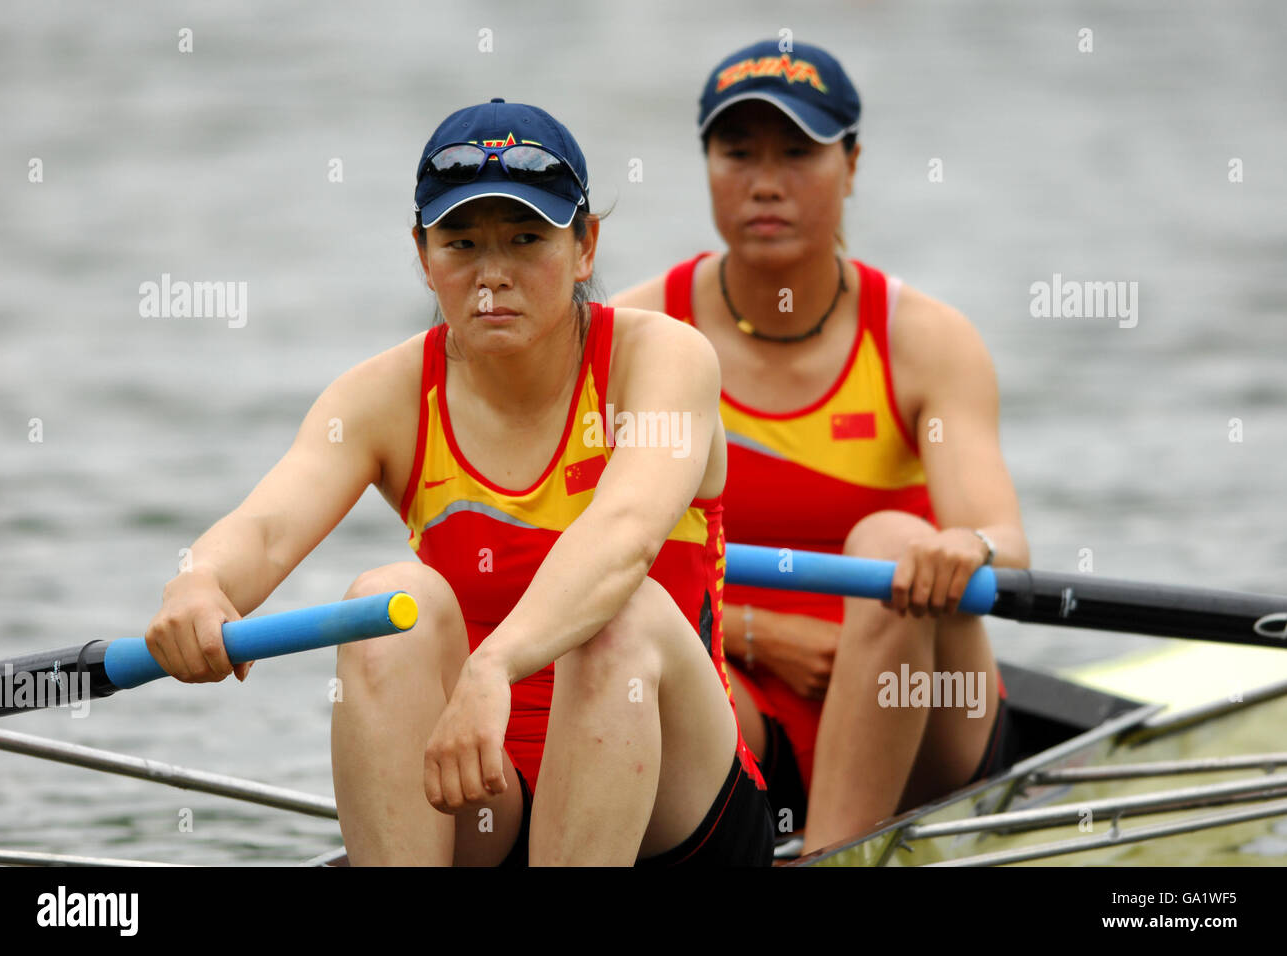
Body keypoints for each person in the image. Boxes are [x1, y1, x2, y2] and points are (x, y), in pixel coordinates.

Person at [145, 98, 773, 866]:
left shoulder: (663, 359)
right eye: (462, 243)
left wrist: (493, 665)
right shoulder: (383, 395)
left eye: (526, 239)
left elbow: (623, 539)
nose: (493, 274)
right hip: (485, 791)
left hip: (678, 807)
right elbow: (266, 528)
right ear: (422, 252)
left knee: (622, 614)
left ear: (585, 247)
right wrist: (200, 584)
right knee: (382, 607)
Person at [612, 41, 1030, 855]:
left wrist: (962, 547)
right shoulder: (637, 338)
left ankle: (835, 849)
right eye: (738, 153)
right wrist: (750, 631)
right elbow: (570, 552)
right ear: (706, 163)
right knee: (624, 651)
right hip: (737, 704)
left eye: (799, 152)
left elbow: (1006, 543)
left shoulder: (925, 341)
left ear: (852, 164)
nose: (766, 182)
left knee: (891, 541)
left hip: (922, 704)